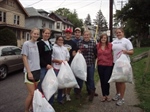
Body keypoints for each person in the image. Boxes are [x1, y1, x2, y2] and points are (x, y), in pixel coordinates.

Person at [112, 28, 134, 106]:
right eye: (117, 33)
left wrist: (126, 51)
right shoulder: (114, 41)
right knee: (117, 80)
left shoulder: (126, 41)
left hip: (124, 63)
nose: (118, 34)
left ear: (123, 33)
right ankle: (118, 94)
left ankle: (122, 98)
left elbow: (132, 52)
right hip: (115, 63)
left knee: (122, 81)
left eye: (119, 32)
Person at [21, 28, 40, 112]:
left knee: (35, 94)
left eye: (37, 34)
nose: (36, 35)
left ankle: (32, 108)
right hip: (30, 71)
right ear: (31, 34)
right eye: (34, 33)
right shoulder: (26, 44)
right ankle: (26, 110)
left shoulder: (37, 44)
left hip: (37, 70)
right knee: (31, 93)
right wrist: (29, 72)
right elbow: (24, 57)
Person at [77, 30, 97, 101]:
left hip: (90, 63)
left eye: (88, 35)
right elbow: (76, 52)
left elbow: (96, 53)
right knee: (80, 78)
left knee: (90, 78)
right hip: (81, 64)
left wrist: (94, 59)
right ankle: (78, 92)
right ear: (83, 35)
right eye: (85, 35)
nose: (86, 36)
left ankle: (91, 92)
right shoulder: (79, 43)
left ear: (90, 36)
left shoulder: (93, 43)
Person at [52, 35, 70, 104]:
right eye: (59, 40)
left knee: (61, 84)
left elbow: (68, 56)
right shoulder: (53, 48)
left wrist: (66, 60)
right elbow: (51, 58)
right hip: (55, 68)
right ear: (56, 40)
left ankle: (60, 99)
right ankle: (51, 100)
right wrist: (58, 61)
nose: (60, 41)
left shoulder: (65, 48)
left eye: (62, 40)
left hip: (63, 69)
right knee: (54, 85)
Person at [37, 28, 53, 104]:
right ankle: (40, 102)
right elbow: (38, 57)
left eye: (48, 33)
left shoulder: (49, 42)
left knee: (48, 85)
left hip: (49, 67)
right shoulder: (39, 43)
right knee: (41, 85)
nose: (47, 35)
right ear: (42, 34)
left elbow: (50, 55)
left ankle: (47, 101)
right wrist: (45, 65)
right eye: (45, 33)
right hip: (43, 68)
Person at [97, 34, 113, 102]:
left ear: (107, 39)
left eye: (105, 38)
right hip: (100, 65)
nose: (103, 39)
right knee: (102, 80)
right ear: (100, 39)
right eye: (102, 38)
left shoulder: (110, 45)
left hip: (108, 65)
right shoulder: (97, 45)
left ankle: (107, 94)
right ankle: (104, 95)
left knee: (106, 80)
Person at [63, 28, 77, 101]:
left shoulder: (73, 43)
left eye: (69, 33)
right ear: (65, 34)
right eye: (67, 33)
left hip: (70, 63)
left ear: (71, 34)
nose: (68, 34)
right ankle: (63, 93)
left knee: (70, 79)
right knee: (62, 79)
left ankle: (68, 94)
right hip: (62, 63)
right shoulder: (62, 41)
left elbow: (74, 52)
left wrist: (75, 54)